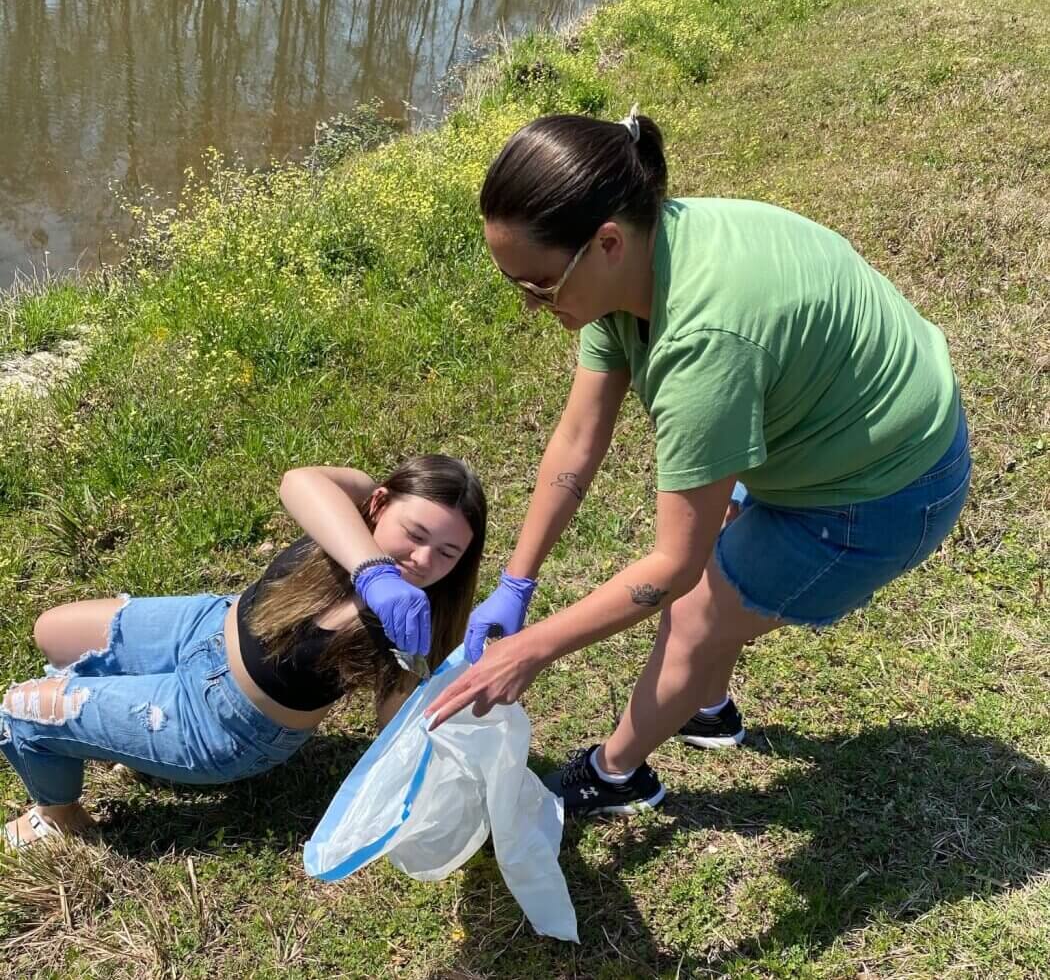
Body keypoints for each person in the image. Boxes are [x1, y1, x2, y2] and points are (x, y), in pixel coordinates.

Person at [425, 108, 971, 816]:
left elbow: (672, 567)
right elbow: (580, 436)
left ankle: (616, 773)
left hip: (888, 485)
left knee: (691, 612)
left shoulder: (701, 346)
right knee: (713, 582)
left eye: (537, 287)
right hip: (817, 430)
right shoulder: (634, 262)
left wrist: (532, 648)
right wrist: (517, 580)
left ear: (606, 242)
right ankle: (703, 703)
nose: (530, 306)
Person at [2, 455, 486, 847]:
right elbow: (298, 481)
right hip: (204, 626)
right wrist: (371, 570)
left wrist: (425, 683)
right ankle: (122, 737)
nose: (423, 561)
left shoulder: (412, 623)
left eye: (447, 554)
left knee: (20, 711)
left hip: (227, 726)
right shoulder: (356, 502)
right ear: (379, 503)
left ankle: (59, 816)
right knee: (50, 632)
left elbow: (395, 730)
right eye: (416, 534)